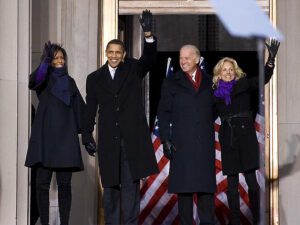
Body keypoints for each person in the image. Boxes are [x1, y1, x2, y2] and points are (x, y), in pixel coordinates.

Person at [82, 10, 159, 225]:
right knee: (111, 192)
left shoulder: (133, 69)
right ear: (106, 53)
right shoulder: (94, 78)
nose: (114, 56)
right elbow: (90, 108)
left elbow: (150, 59)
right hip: (109, 141)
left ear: (124, 54)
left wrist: (149, 35)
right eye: (111, 52)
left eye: (118, 52)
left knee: (131, 193)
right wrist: (87, 134)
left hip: (131, 141)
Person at [212, 40, 280, 225]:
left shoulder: (242, 85)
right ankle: (234, 221)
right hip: (229, 138)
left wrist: (271, 61)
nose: (228, 72)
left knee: (252, 182)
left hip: (246, 136)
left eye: (231, 69)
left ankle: (258, 218)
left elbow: (263, 78)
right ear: (219, 74)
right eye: (224, 70)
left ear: (235, 72)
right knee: (232, 184)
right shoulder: (215, 94)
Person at [25, 41, 85, 225]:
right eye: (55, 58)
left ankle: (64, 223)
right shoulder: (44, 80)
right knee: (41, 185)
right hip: (45, 141)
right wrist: (45, 61)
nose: (59, 61)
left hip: (65, 141)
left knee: (65, 186)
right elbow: (33, 81)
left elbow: (80, 111)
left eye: (61, 58)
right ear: (49, 61)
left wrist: (88, 136)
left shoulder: (70, 82)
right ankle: (44, 223)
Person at [158, 44, 216, 225]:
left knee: (206, 195)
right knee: (185, 195)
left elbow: (215, 109)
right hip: (181, 146)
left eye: (187, 58)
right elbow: (163, 112)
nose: (183, 61)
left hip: (204, 146)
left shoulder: (210, 81)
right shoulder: (171, 82)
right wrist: (165, 139)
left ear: (197, 60)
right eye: (181, 58)